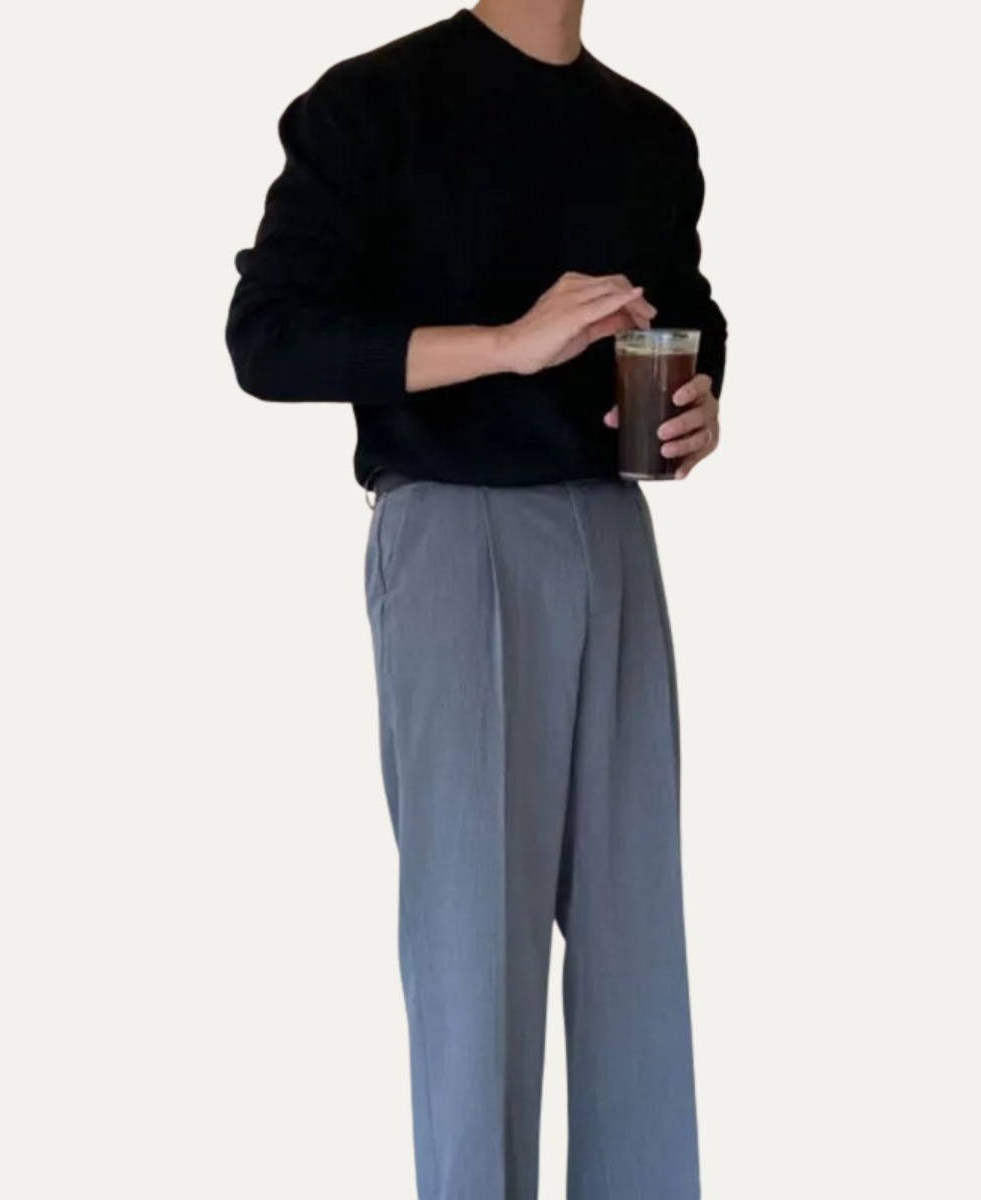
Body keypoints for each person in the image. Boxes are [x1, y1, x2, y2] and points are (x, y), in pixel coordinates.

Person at [224, 2, 727, 1196]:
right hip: (456, 534)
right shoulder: (374, 104)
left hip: (614, 533)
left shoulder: (650, 132)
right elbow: (269, 340)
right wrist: (505, 342)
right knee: (474, 949)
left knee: (636, 946)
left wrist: (700, 404)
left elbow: (689, 312)